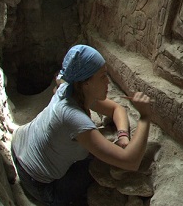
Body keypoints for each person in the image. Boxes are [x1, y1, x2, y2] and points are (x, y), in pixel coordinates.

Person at [11, 44, 152, 205]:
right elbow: (130, 162)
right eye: (102, 76)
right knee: (97, 163)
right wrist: (145, 116)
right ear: (86, 83)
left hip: (18, 145)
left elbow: (116, 109)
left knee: (96, 150)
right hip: (38, 183)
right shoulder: (74, 118)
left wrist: (123, 136)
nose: (108, 82)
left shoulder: (68, 88)